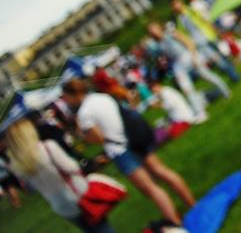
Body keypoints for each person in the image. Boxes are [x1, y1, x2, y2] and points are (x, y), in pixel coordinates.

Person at [60, 79, 194, 228]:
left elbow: (98, 138)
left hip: (119, 149)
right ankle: (192, 205)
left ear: (72, 94)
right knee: (162, 171)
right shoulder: (102, 97)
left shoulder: (84, 113)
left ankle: (175, 222)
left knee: (150, 187)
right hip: (134, 137)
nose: (66, 102)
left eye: (66, 97)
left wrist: (83, 135)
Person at [2, 118, 115, 232]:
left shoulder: (16, 166)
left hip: (60, 205)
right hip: (78, 194)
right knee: (102, 227)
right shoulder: (47, 147)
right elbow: (72, 167)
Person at [170, 0, 239, 83]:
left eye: (177, 3)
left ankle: (232, 73)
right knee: (217, 60)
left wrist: (215, 30)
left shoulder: (191, 10)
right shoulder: (179, 21)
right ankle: (234, 76)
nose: (177, 6)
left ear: (181, 2)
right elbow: (185, 35)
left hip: (208, 36)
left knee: (221, 55)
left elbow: (204, 20)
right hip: (200, 43)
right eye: (174, 5)